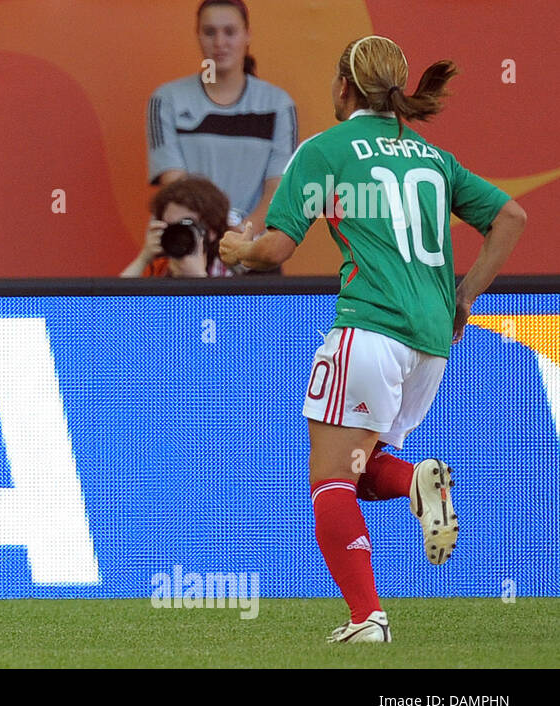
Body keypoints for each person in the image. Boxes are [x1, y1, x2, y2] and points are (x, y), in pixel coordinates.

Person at [219, 35, 526, 643]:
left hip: (370, 326)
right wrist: (463, 299)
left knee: (328, 480)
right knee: (359, 470)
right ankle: (414, 479)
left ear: (342, 87)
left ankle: (367, 618)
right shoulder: (433, 158)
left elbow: (275, 250)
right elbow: (510, 217)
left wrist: (238, 250)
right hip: (432, 343)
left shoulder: (324, 150)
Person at [147, 0, 297, 233]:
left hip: (255, 253)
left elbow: (278, 189)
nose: (220, 43)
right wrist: (211, 239)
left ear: (247, 35)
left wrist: (238, 239)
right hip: (190, 251)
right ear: (197, 35)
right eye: (209, 32)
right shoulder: (167, 99)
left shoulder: (278, 104)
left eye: (230, 32)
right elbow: (175, 185)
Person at [121, 176, 272, 277]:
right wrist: (143, 258)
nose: (177, 233)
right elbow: (115, 308)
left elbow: (230, 320)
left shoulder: (235, 265)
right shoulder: (161, 267)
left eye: (186, 224)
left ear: (211, 230)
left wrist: (198, 278)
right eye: (170, 226)